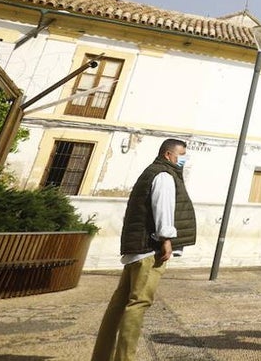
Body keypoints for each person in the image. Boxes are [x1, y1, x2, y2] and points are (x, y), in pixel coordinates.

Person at [92, 139, 196, 361]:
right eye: (181, 155)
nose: (184, 159)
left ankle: (101, 356)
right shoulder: (164, 176)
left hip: (136, 249)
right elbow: (163, 208)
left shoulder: (150, 172)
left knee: (118, 305)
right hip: (150, 249)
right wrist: (166, 238)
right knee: (138, 304)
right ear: (168, 154)